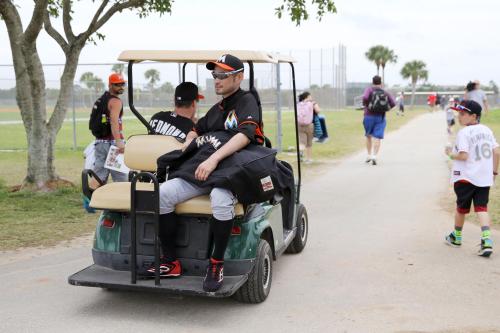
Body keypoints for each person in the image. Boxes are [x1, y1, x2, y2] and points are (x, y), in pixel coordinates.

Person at [144, 54, 263, 292]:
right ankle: (171, 261)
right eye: (215, 75)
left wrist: (213, 158)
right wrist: (189, 143)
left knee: (220, 199)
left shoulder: (247, 101)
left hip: (232, 173)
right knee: (162, 194)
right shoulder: (217, 109)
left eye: (222, 75)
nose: (216, 80)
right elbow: (196, 130)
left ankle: (216, 263)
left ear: (238, 77)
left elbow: (245, 134)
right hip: (206, 171)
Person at [444, 100, 499, 257]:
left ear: (474, 116)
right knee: (482, 208)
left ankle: (457, 237)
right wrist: (494, 172)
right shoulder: (487, 130)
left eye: (463, 114)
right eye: (458, 113)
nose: (459, 116)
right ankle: (487, 241)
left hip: (465, 177)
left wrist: (449, 154)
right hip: (484, 177)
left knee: (461, 208)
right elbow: (497, 152)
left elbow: (463, 156)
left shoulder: (464, 133)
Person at [90, 73, 128, 187]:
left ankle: (91, 201)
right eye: (117, 85)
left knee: (99, 175)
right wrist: (119, 142)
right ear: (110, 85)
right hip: (112, 145)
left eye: (123, 84)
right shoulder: (116, 102)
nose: (121, 87)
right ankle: (123, 202)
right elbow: (114, 122)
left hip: (100, 143)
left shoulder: (101, 99)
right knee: (121, 177)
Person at [362, 75, 395, 165]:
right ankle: (374, 156)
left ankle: (368, 155)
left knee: (368, 135)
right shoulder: (384, 92)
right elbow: (393, 103)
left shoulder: (369, 90)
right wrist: (386, 108)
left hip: (368, 116)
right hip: (380, 117)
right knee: (377, 137)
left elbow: (365, 98)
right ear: (381, 83)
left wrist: (367, 105)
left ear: (372, 82)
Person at [297, 91, 319, 163]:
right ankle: (309, 159)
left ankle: (301, 152)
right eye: (310, 96)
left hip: (299, 125)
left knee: (302, 142)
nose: (311, 97)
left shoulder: (298, 104)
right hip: (309, 125)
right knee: (309, 143)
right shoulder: (311, 103)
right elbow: (318, 110)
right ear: (307, 97)